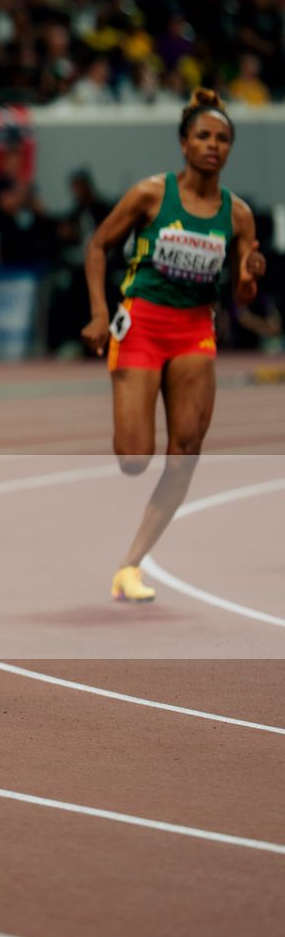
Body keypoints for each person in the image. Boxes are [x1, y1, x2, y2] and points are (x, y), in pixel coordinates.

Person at [82, 87, 266, 601]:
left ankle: (131, 565)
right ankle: (129, 400)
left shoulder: (239, 215)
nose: (213, 145)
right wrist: (100, 313)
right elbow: (98, 246)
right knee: (134, 458)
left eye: (223, 138)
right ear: (184, 143)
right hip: (142, 324)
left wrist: (250, 276)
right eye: (203, 135)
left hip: (194, 331)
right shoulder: (150, 194)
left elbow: (242, 293)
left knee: (186, 453)